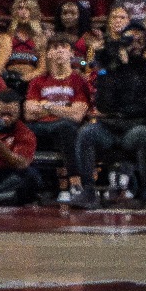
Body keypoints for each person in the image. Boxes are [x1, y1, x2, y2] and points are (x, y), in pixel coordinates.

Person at [75, 21, 146, 209]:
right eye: (130, 40)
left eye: (139, 40)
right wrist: (114, 68)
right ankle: (88, 191)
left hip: (134, 128)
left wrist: (123, 111)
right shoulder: (110, 67)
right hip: (109, 128)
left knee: (144, 135)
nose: (134, 45)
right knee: (86, 133)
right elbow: (103, 104)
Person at [25, 41, 90, 196]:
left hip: (66, 128)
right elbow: (28, 113)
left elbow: (77, 115)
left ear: (72, 54)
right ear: (48, 54)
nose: (59, 50)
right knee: (24, 129)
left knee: (66, 127)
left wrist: (47, 106)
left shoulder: (79, 81)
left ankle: (74, 182)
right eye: (55, 47)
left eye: (64, 47)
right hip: (41, 129)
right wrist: (66, 108)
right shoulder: (38, 81)